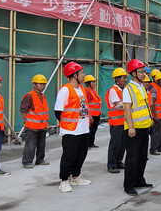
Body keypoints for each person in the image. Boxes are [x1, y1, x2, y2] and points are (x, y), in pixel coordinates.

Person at [54, 62, 92, 193]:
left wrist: (89, 117)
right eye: (82, 73)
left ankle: (75, 177)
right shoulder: (65, 90)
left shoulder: (82, 89)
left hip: (83, 128)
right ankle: (64, 180)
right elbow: (58, 111)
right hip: (71, 130)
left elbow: (84, 106)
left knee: (81, 154)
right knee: (69, 155)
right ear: (74, 75)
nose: (84, 75)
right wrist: (67, 124)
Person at [122, 59, 154, 196]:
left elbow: (145, 106)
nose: (143, 74)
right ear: (133, 73)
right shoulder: (128, 89)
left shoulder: (142, 87)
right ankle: (128, 185)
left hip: (144, 127)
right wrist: (130, 127)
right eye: (141, 72)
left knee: (142, 157)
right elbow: (127, 110)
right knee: (132, 158)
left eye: (144, 72)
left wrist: (150, 119)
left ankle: (139, 180)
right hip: (133, 129)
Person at [20, 74, 50, 168]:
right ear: (34, 85)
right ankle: (27, 161)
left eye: (44, 84)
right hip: (32, 126)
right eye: (40, 84)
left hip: (42, 126)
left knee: (41, 144)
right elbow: (23, 110)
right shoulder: (29, 96)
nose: (42, 86)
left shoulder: (42, 96)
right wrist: (27, 122)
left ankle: (40, 160)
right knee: (30, 145)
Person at [106, 68, 128, 174]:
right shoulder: (113, 91)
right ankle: (112, 164)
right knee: (115, 144)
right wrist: (127, 103)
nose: (125, 80)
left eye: (125, 78)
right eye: (123, 78)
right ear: (117, 79)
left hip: (123, 122)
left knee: (123, 144)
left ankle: (119, 161)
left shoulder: (123, 90)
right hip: (116, 123)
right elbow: (118, 105)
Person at [149, 70, 161, 156]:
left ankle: (160, 147)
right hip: (157, 116)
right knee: (156, 133)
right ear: (157, 81)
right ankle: (154, 149)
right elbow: (152, 103)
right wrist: (155, 115)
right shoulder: (154, 89)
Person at [84, 75, 102, 149]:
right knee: (89, 130)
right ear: (88, 84)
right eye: (93, 82)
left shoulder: (93, 91)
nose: (94, 84)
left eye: (95, 82)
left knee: (94, 130)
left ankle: (91, 143)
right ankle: (87, 144)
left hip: (96, 114)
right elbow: (86, 104)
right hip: (91, 115)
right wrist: (89, 115)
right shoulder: (87, 92)